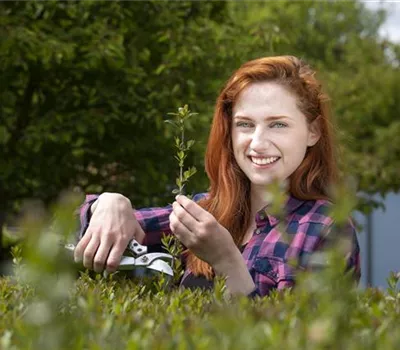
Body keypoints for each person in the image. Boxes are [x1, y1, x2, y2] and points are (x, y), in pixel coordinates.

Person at [74, 55, 360, 297]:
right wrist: (110, 204)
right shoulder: (206, 212)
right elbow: (113, 229)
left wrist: (226, 260)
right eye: (245, 124)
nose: (258, 142)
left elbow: (305, 339)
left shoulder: (326, 227)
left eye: (278, 125)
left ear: (313, 131)